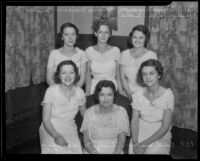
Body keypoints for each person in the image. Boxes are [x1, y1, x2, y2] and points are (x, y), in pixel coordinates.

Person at [39, 60, 86, 154]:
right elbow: (46, 120)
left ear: (76, 75)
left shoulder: (80, 92)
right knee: (58, 150)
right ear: (59, 76)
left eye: (71, 72)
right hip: (50, 128)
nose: (68, 76)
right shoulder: (51, 91)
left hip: (70, 128)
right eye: (63, 73)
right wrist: (55, 135)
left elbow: (84, 112)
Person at [129, 59, 174, 154]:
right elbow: (135, 122)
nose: (148, 77)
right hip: (141, 130)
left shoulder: (168, 95)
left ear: (159, 75)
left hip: (160, 133)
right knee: (133, 151)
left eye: (151, 73)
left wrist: (144, 145)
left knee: (154, 152)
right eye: (144, 74)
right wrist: (135, 143)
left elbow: (165, 127)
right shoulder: (137, 95)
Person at [80, 80, 130, 154]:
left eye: (109, 94)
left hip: (115, 151)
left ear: (114, 96)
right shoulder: (89, 113)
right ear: (97, 96)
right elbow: (87, 142)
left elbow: (121, 141)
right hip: (92, 151)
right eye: (102, 95)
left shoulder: (121, 112)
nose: (106, 98)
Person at [85, 19, 124, 96]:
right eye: (100, 32)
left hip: (112, 88)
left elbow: (118, 75)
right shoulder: (89, 51)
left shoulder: (116, 50)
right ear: (96, 33)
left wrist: (121, 91)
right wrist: (87, 92)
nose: (103, 35)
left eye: (106, 32)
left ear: (110, 35)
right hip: (94, 89)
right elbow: (88, 75)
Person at [120, 25, 158, 101]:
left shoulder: (151, 55)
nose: (137, 40)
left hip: (146, 94)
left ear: (146, 39)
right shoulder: (124, 54)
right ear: (131, 38)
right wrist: (129, 94)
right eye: (135, 37)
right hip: (127, 93)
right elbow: (122, 76)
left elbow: (153, 79)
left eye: (141, 37)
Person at [46, 23, 87, 88]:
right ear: (62, 37)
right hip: (56, 92)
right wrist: (59, 92)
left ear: (76, 36)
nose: (70, 37)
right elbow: (49, 78)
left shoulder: (82, 54)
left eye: (73, 34)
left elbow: (83, 79)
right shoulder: (53, 54)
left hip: (75, 91)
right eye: (66, 34)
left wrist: (74, 92)